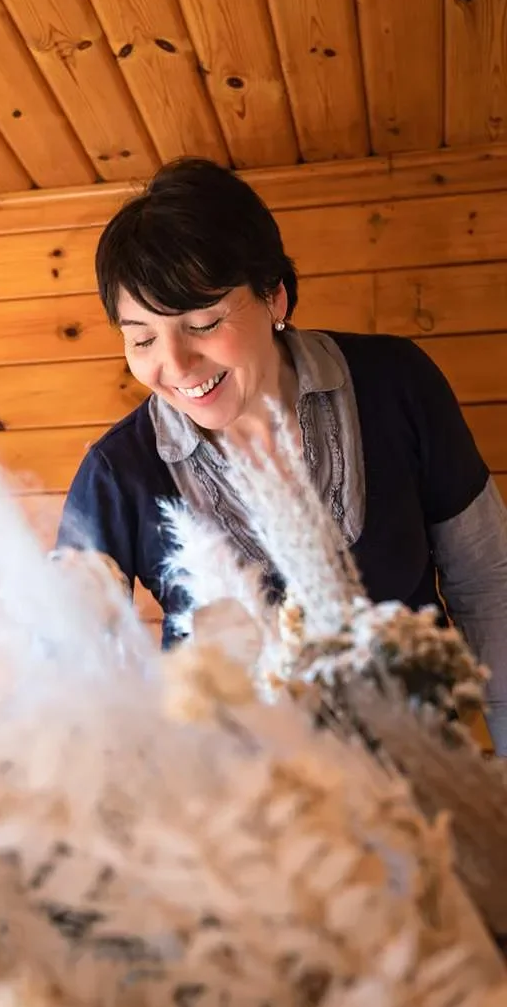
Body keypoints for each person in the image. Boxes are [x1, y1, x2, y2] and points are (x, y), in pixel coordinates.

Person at [56, 157, 507, 754]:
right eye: (141, 338)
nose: (175, 365)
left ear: (273, 296)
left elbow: (488, 582)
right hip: (246, 817)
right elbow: (70, 667)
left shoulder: (397, 385)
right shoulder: (119, 473)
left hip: (422, 781)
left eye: (203, 322)